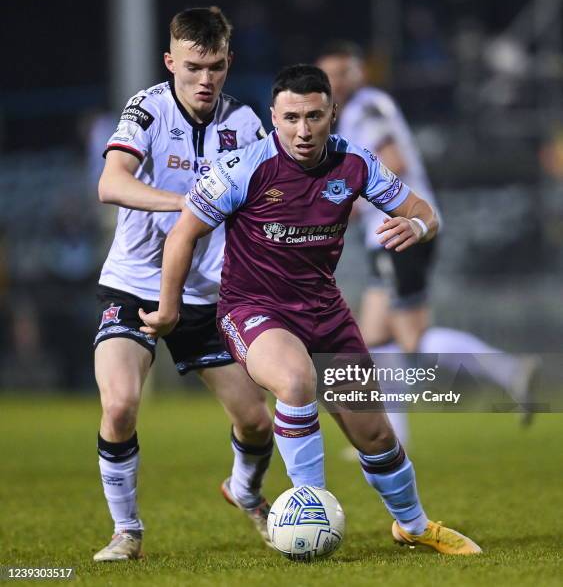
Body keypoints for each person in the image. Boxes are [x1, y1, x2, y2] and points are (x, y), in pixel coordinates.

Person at [140, 64, 482, 555]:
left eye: (315, 117)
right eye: (292, 117)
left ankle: (413, 525)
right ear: (273, 118)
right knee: (296, 381)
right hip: (252, 308)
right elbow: (183, 234)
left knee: (376, 435)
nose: (303, 130)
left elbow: (424, 212)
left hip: (324, 313)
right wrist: (168, 310)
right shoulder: (243, 167)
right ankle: (311, 506)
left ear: (332, 114)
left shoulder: (355, 163)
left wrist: (419, 229)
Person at [93, 7, 274, 562]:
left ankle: (245, 492)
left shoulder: (244, 125)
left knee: (256, 420)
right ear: (171, 61)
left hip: (206, 296)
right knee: (120, 403)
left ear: (228, 63)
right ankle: (127, 532)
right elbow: (111, 183)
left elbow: (268, 202)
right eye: (193, 66)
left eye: (216, 66)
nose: (205, 79)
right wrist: (189, 205)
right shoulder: (147, 110)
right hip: (133, 284)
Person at [316, 41, 538, 441]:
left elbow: (392, 162)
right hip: (386, 234)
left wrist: (340, 207)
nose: (332, 81)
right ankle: (393, 438)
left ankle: (508, 370)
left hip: (401, 231)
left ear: (356, 73)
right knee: (375, 339)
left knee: (412, 339)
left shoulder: (365, 108)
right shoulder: (355, 111)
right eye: (326, 74)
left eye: (339, 72)